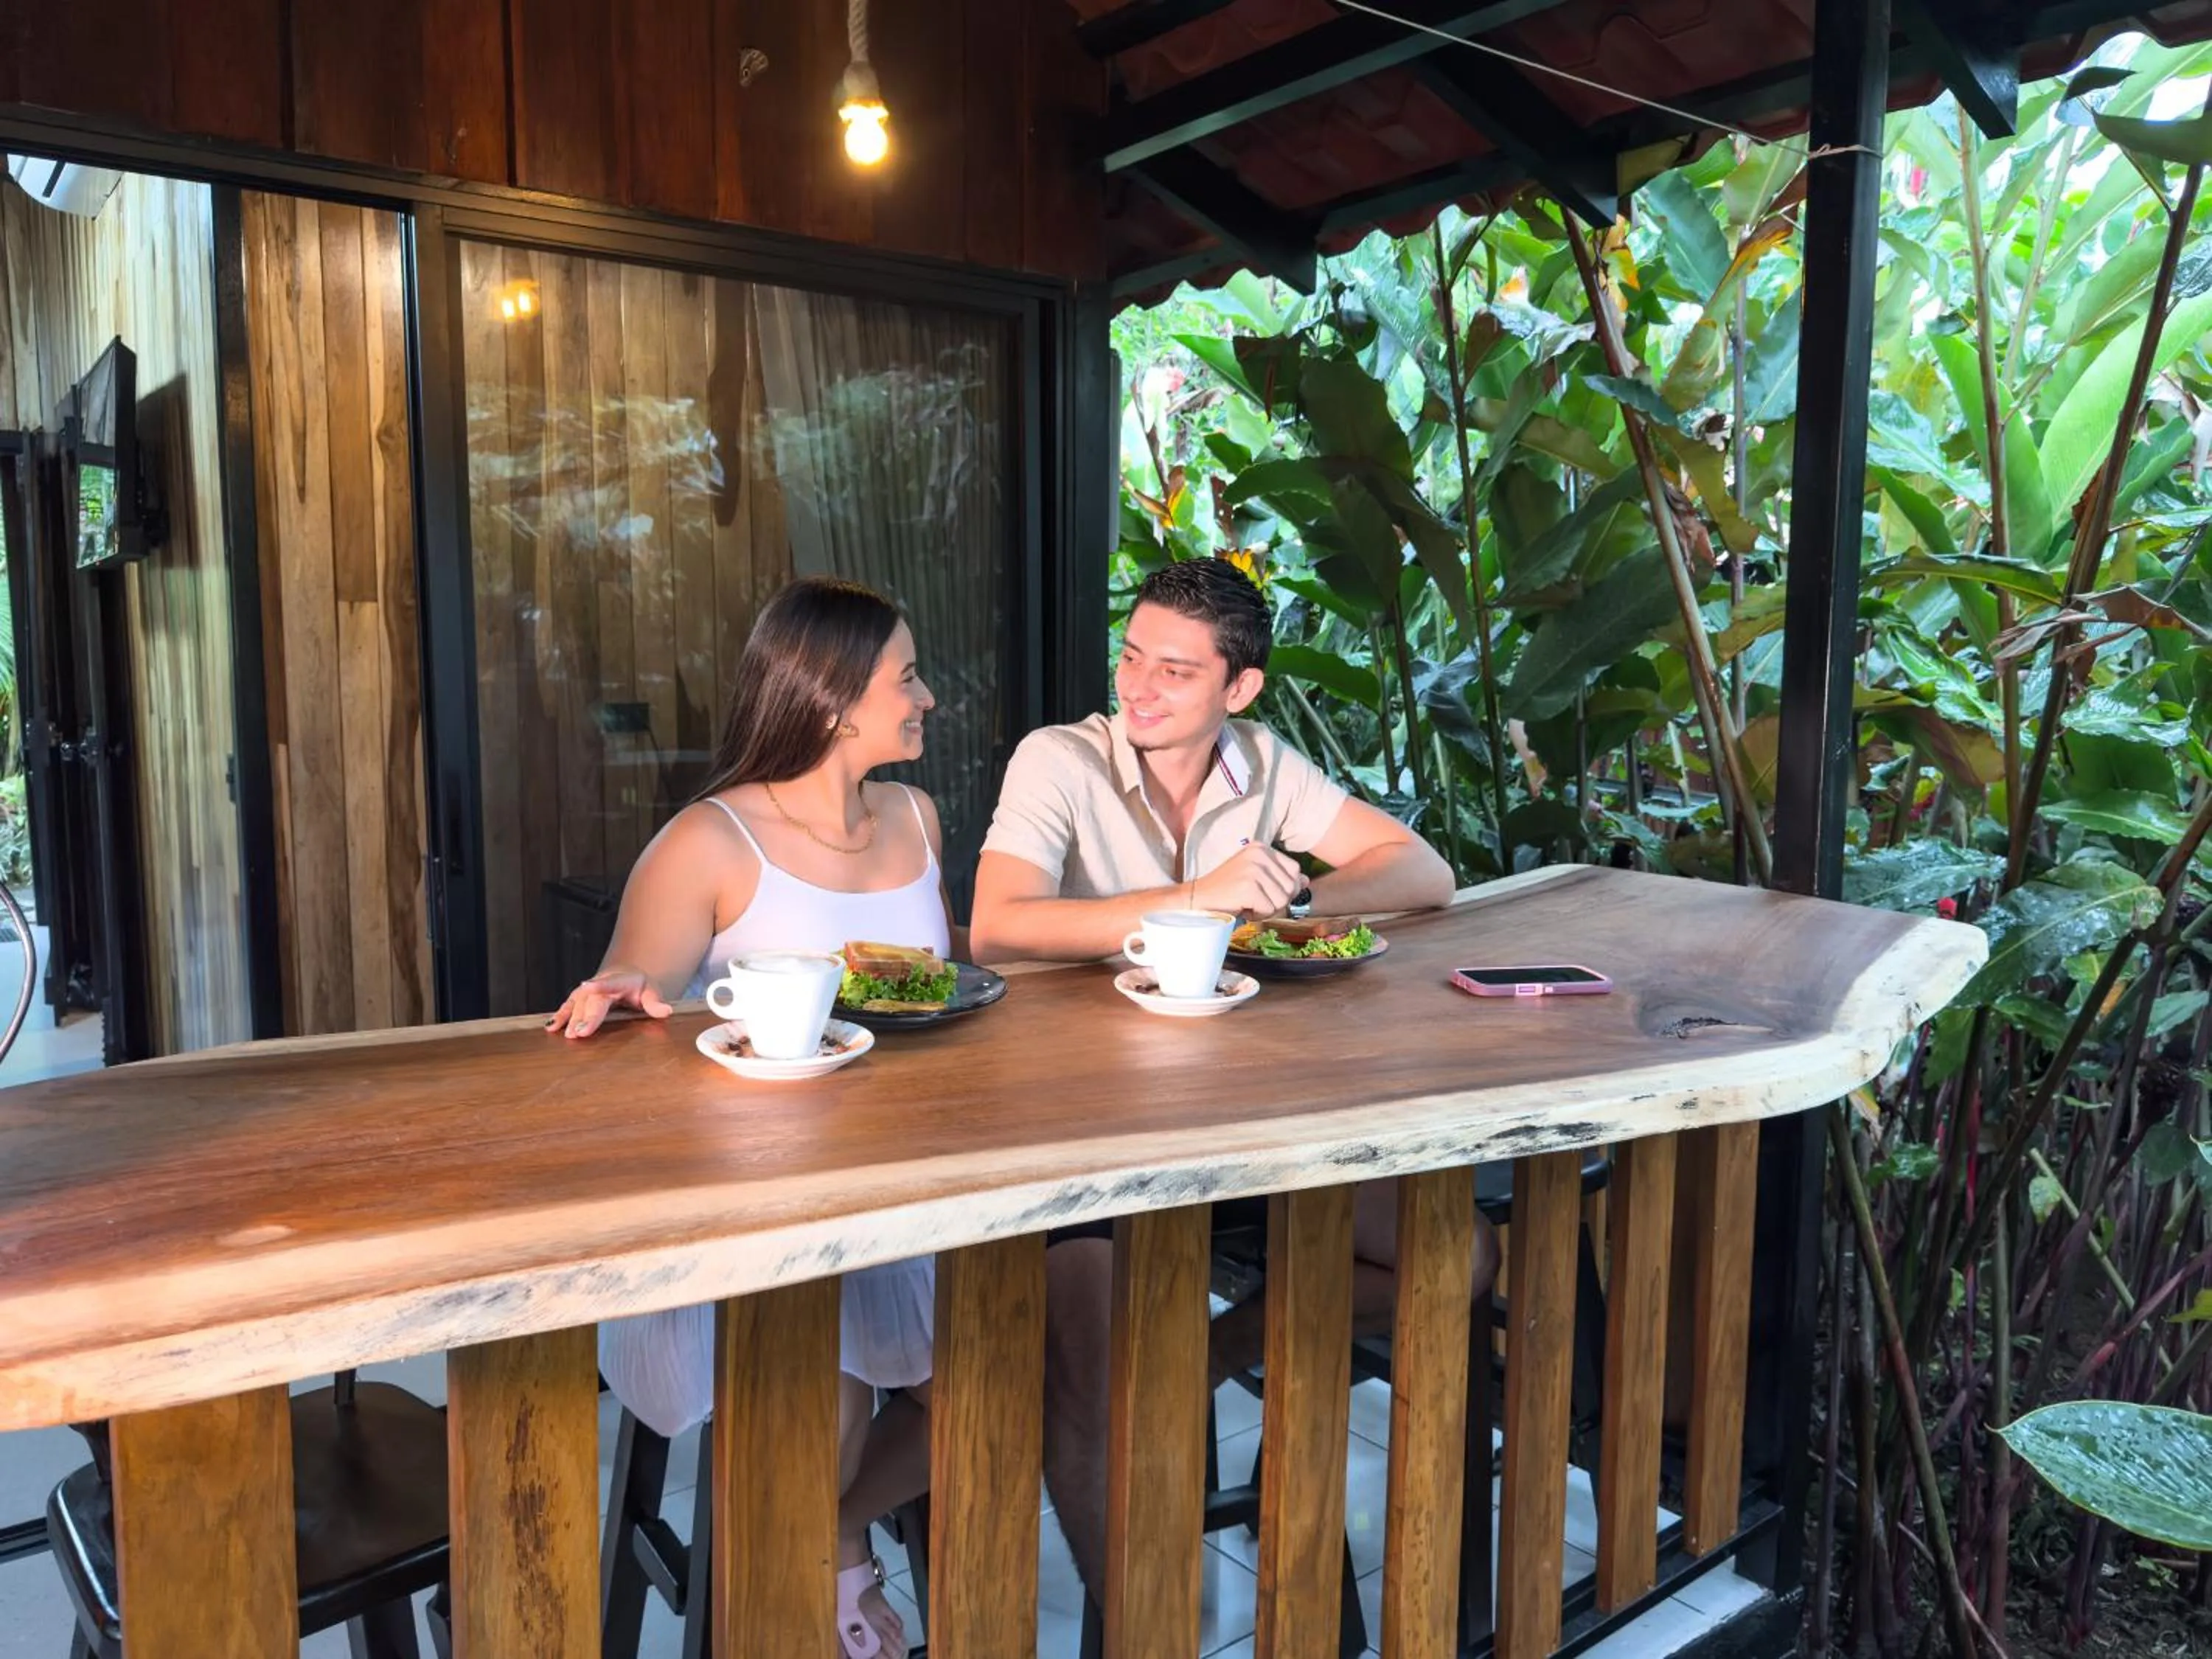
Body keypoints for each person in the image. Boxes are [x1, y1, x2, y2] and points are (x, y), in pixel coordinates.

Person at [967, 556, 1498, 1598]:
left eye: (1174, 671)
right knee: (1091, 1374)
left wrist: (1286, 906)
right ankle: (1142, 1626)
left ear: (1239, 688)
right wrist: (1199, 899)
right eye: (1132, 657)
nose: (1138, 687)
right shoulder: (1059, 760)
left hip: (1241, 1127)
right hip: (1080, 1135)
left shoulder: (1260, 761)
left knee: (1455, 1254)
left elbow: (1424, 872)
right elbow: (998, 927)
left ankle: (1208, 1357)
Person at [549, 576, 945, 1659]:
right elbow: (635, 996)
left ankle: (828, 1531)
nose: (926, 698)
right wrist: (628, 991)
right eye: (907, 678)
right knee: (827, 1365)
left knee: (1022, 1363)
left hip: (905, 1190)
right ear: (834, 701)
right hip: (749, 1218)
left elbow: (937, 994)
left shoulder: (916, 820)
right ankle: (811, 1593)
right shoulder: (712, 841)